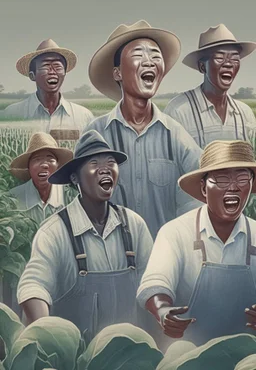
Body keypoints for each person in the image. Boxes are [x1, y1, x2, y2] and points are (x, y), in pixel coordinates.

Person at [17, 130, 153, 342]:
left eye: (110, 162)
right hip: (78, 362)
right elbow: (32, 286)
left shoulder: (134, 225)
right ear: (74, 177)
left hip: (129, 358)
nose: (105, 169)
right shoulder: (55, 232)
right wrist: (48, 336)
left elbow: (152, 284)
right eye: (94, 164)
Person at [84, 20, 203, 239]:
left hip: (163, 258)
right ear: (117, 73)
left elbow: (196, 198)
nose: (149, 61)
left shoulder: (176, 135)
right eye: (138, 54)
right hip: (111, 260)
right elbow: (85, 203)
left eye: (156, 56)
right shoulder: (96, 133)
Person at [137, 140, 256, 348]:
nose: (233, 186)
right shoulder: (175, 232)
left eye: (242, 176)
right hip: (189, 355)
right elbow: (155, 283)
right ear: (203, 188)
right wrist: (163, 311)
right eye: (221, 178)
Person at [164, 24, 256, 148]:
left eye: (235, 58)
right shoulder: (179, 111)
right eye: (219, 57)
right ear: (202, 66)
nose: (228, 64)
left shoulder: (245, 113)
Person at [4, 39, 93, 135]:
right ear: (32, 75)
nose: (52, 71)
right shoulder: (12, 114)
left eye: (57, 66)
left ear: (64, 73)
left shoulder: (83, 116)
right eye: (45, 66)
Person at [9, 132, 73, 225]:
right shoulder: (13, 198)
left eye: (50, 159)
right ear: (28, 167)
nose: (44, 164)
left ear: (58, 166)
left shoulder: (70, 197)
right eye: (37, 159)